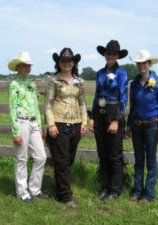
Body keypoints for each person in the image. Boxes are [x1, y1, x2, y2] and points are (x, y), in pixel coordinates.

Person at [45, 48, 87, 208]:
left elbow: (82, 102)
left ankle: (59, 188)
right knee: (61, 161)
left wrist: (84, 122)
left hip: (76, 124)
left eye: (69, 60)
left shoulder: (79, 81)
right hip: (58, 123)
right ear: (59, 63)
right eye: (63, 61)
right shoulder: (53, 80)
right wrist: (51, 124)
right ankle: (66, 196)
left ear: (73, 62)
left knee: (68, 159)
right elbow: (48, 103)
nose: (66, 63)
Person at [127, 49, 158, 204]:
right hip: (137, 126)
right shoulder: (134, 84)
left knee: (151, 160)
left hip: (152, 126)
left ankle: (149, 194)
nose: (141, 66)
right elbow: (132, 105)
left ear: (149, 64)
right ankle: (137, 190)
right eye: (139, 63)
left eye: (144, 63)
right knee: (138, 159)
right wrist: (129, 124)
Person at [88, 40, 128, 201]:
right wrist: (92, 117)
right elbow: (97, 96)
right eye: (108, 53)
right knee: (102, 153)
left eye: (113, 54)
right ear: (105, 55)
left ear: (117, 56)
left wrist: (117, 120)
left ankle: (116, 188)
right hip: (100, 113)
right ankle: (105, 186)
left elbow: (124, 98)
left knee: (114, 154)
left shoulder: (122, 74)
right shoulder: (99, 73)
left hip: (114, 113)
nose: (110, 56)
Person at [8, 51, 48, 204]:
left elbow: (36, 107)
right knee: (22, 157)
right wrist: (15, 131)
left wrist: (40, 125)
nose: (27, 68)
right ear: (18, 67)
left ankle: (34, 189)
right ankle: (22, 192)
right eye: (24, 65)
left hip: (33, 123)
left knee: (41, 156)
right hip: (21, 123)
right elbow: (12, 108)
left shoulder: (32, 84)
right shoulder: (14, 85)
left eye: (29, 65)